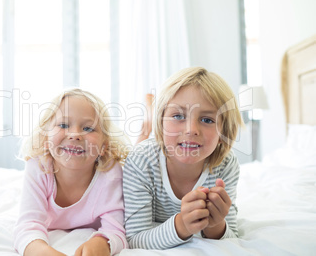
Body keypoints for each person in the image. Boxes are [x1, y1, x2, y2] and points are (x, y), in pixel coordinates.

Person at [123, 67, 244, 250]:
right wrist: (182, 226)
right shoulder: (141, 161)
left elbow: (231, 236)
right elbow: (134, 239)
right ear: (161, 122)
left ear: (223, 133)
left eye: (207, 120)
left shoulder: (226, 164)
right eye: (178, 116)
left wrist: (215, 225)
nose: (191, 129)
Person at [14, 88, 130, 256]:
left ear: (103, 146)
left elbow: (117, 229)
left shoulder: (111, 173)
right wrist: (42, 251)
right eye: (63, 125)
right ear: (45, 138)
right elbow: (27, 226)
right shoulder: (38, 167)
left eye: (88, 128)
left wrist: (102, 243)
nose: (75, 134)